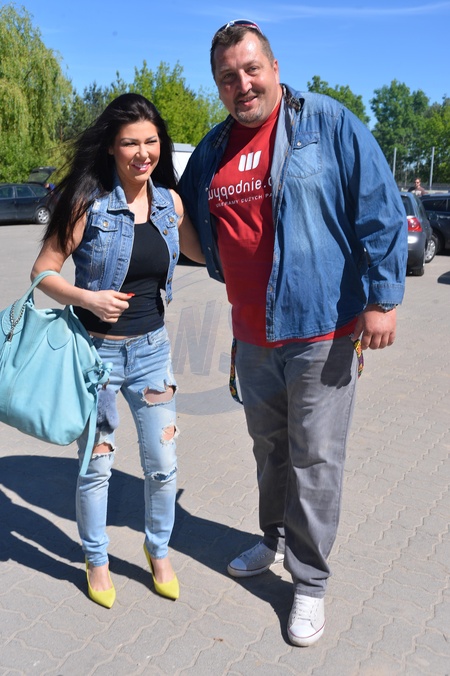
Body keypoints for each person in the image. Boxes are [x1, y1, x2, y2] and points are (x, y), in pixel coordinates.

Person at [178, 20, 407, 646]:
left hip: (321, 331)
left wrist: (383, 299)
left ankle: (309, 582)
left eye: (251, 69)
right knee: (270, 449)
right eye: (228, 77)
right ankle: (273, 539)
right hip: (252, 335)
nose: (243, 84)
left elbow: (379, 206)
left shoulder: (326, 123)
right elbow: (188, 224)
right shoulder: (212, 149)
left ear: (275, 68)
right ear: (219, 86)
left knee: (315, 457)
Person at [31, 93, 204, 609]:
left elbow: (202, 253)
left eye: (151, 142)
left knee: (163, 464)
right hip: (96, 359)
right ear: (111, 146)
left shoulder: (170, 204)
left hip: (152, 354)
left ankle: (158, 551)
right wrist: (88, 298)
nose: (143, 153)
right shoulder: (87, 203)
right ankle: (97, 558)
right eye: (130, 143)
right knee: (96, 467)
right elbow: (42, 271)